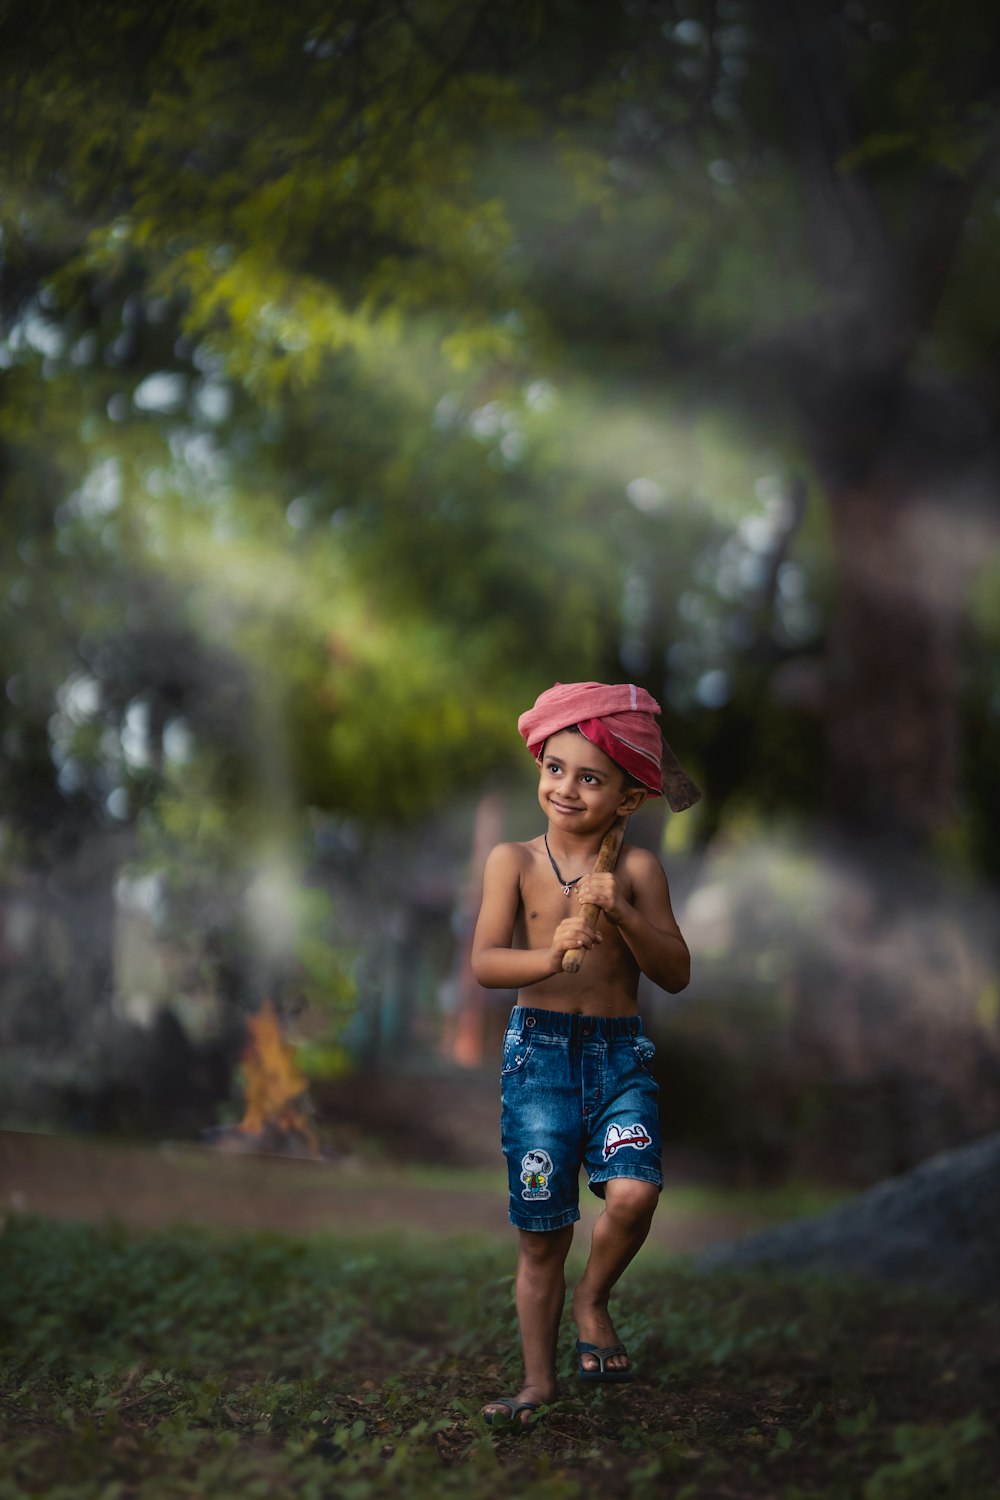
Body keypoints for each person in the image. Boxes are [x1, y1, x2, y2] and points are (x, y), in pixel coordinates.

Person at [471, 681, 700, 1427]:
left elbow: (675, 971)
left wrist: (623, 914)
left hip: (617, 1057)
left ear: (628, 800)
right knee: (543, 1236)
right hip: (538, 1060)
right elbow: (483, 962)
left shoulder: (635, 873)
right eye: (555, 769)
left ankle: (592, 1298)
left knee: (633, 1193)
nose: (566, 788)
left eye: (591, 778)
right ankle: (537, 1383)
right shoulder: (513, 861)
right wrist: (548, 955)